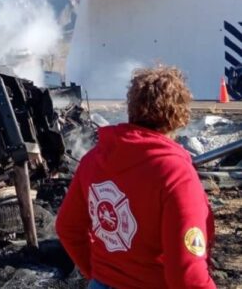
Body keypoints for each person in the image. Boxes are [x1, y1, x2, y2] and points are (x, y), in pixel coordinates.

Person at [56, 66, 215, 289]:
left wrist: (97, 273)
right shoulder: (175, 173)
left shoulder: (92, 160)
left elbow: (67, 226)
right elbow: (187, 276)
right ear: (179, 116)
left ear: (131, 109)